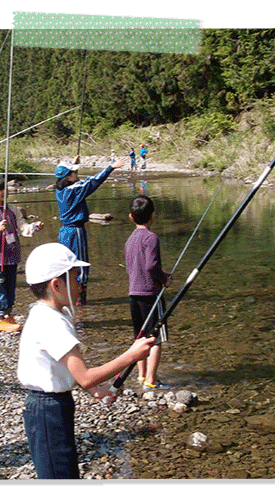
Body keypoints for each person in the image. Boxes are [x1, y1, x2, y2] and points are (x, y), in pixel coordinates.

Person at [17, 242, 156, 479]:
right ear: (56, 284)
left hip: (51, 405)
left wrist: (95, 391)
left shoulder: (48, 313)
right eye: (75, 277)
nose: (81, 284)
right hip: (48, 408)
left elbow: (67, 367)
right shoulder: (52, 322)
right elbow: (84, 375)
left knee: (64, 471)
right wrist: (131, 355)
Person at [55, 156, 126, 305]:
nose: (77, 173)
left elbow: (75, 182)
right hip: (76, 231)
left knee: (67, 264)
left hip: (64, 232)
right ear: (68, 177)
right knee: (81, 263)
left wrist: (74, 165)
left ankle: (67, 297)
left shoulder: (60, 189)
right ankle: (80, 300)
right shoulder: (75, 190)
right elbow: (93, 181)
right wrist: (111, 167)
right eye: (74, 172)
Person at [0, 176, 44, 333]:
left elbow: (22, 226)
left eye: (5, 188)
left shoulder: (13, 209)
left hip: (12, 254)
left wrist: (34, 227)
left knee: (10, 285)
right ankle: (0, 317)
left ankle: (8, 313)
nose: (3, 192)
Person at [125, 195, 172, 390]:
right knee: (155, 339)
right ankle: (151, 381)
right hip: (151, 294)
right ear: (153, 215)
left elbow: (133, 267)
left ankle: (142, 376)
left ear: (131, 217)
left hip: (133, 294)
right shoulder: (151, 237)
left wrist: (160, 274)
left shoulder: (129, 239)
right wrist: (165, 279)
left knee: (140, 338)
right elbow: (151, 266)